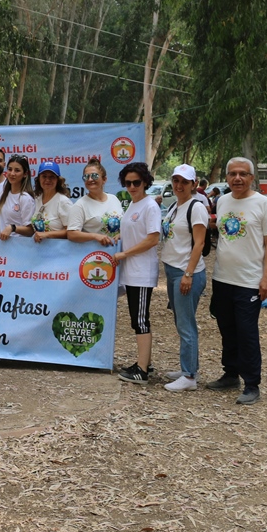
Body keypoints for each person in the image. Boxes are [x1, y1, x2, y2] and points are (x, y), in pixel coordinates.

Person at [205, 156, 267, 406]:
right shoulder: (222, 201)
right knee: (227, 329)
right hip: (222, 278)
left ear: (251, 177)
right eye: (233, 173)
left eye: (243, 174)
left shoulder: (262, 203)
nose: (237, 178)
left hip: (249, 281)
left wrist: (266, 277)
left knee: (247, 332)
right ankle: (230, 373)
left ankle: (252, 383)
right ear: (226, 177)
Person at [159, 165, 209, 392]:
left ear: (193, 184)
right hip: (172, 270)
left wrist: (188, 273)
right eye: (176, 180)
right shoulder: (174, 206)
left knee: (186, 324)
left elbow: (199, 243)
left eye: (185, 182)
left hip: (186, 272)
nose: (179, 185)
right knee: (181, 321)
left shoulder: (196, 208)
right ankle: (189, 367)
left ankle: (189, 377)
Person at [113, 162, 161, 385]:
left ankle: (142, 370)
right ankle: (144, 363)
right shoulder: (132, 206)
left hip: (142, 271)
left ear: (145, 183)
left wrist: (125, 254)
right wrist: (118, 242)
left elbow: (153, 239)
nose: (132, 186)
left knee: (140, 320)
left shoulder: (150, 206)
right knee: (136, 319)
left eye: (136, 182)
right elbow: (132, 234)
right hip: (131, 271)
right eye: (128, 182)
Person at [66, 158, 122, 249]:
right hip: (95, 256)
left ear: (104, 179)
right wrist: (95, 236)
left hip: (118, 252)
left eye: (95, 176)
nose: (90, 179)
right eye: (86, 177)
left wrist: (121, 234)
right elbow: (71, 234)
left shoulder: (114, 199)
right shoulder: (80, 205)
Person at [21, 161, 73, 243]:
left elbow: (72, 232)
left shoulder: (63, 202)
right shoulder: (36, 199)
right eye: (44, 176)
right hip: (39, 250)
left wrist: (47, 234)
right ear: (39, 179)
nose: (47, 180)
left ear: (58, 180)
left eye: (52, 177)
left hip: (59, 252)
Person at [0, 154, 36, 240]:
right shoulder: (3, 194)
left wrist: (13, 228)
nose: (12, 173)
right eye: (10, 169)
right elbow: (2, 224)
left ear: (25, 174)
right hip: (3, 246)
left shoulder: (26, 198)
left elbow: (31, 230)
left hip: (18, 247)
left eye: (17, 170)